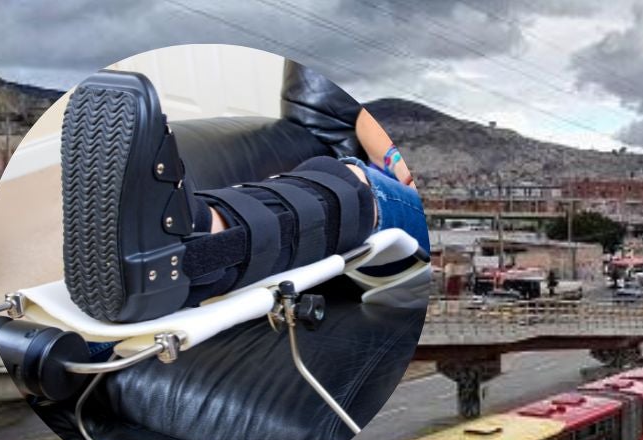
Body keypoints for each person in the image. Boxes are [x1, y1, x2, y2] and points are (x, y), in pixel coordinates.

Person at [60, 69, 429, 324]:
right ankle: (189, 240)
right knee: (328, 177)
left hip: (408, 228)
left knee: (349, 182)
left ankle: (199, 237)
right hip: (377, 180)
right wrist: (396, 159)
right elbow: (365, 116)